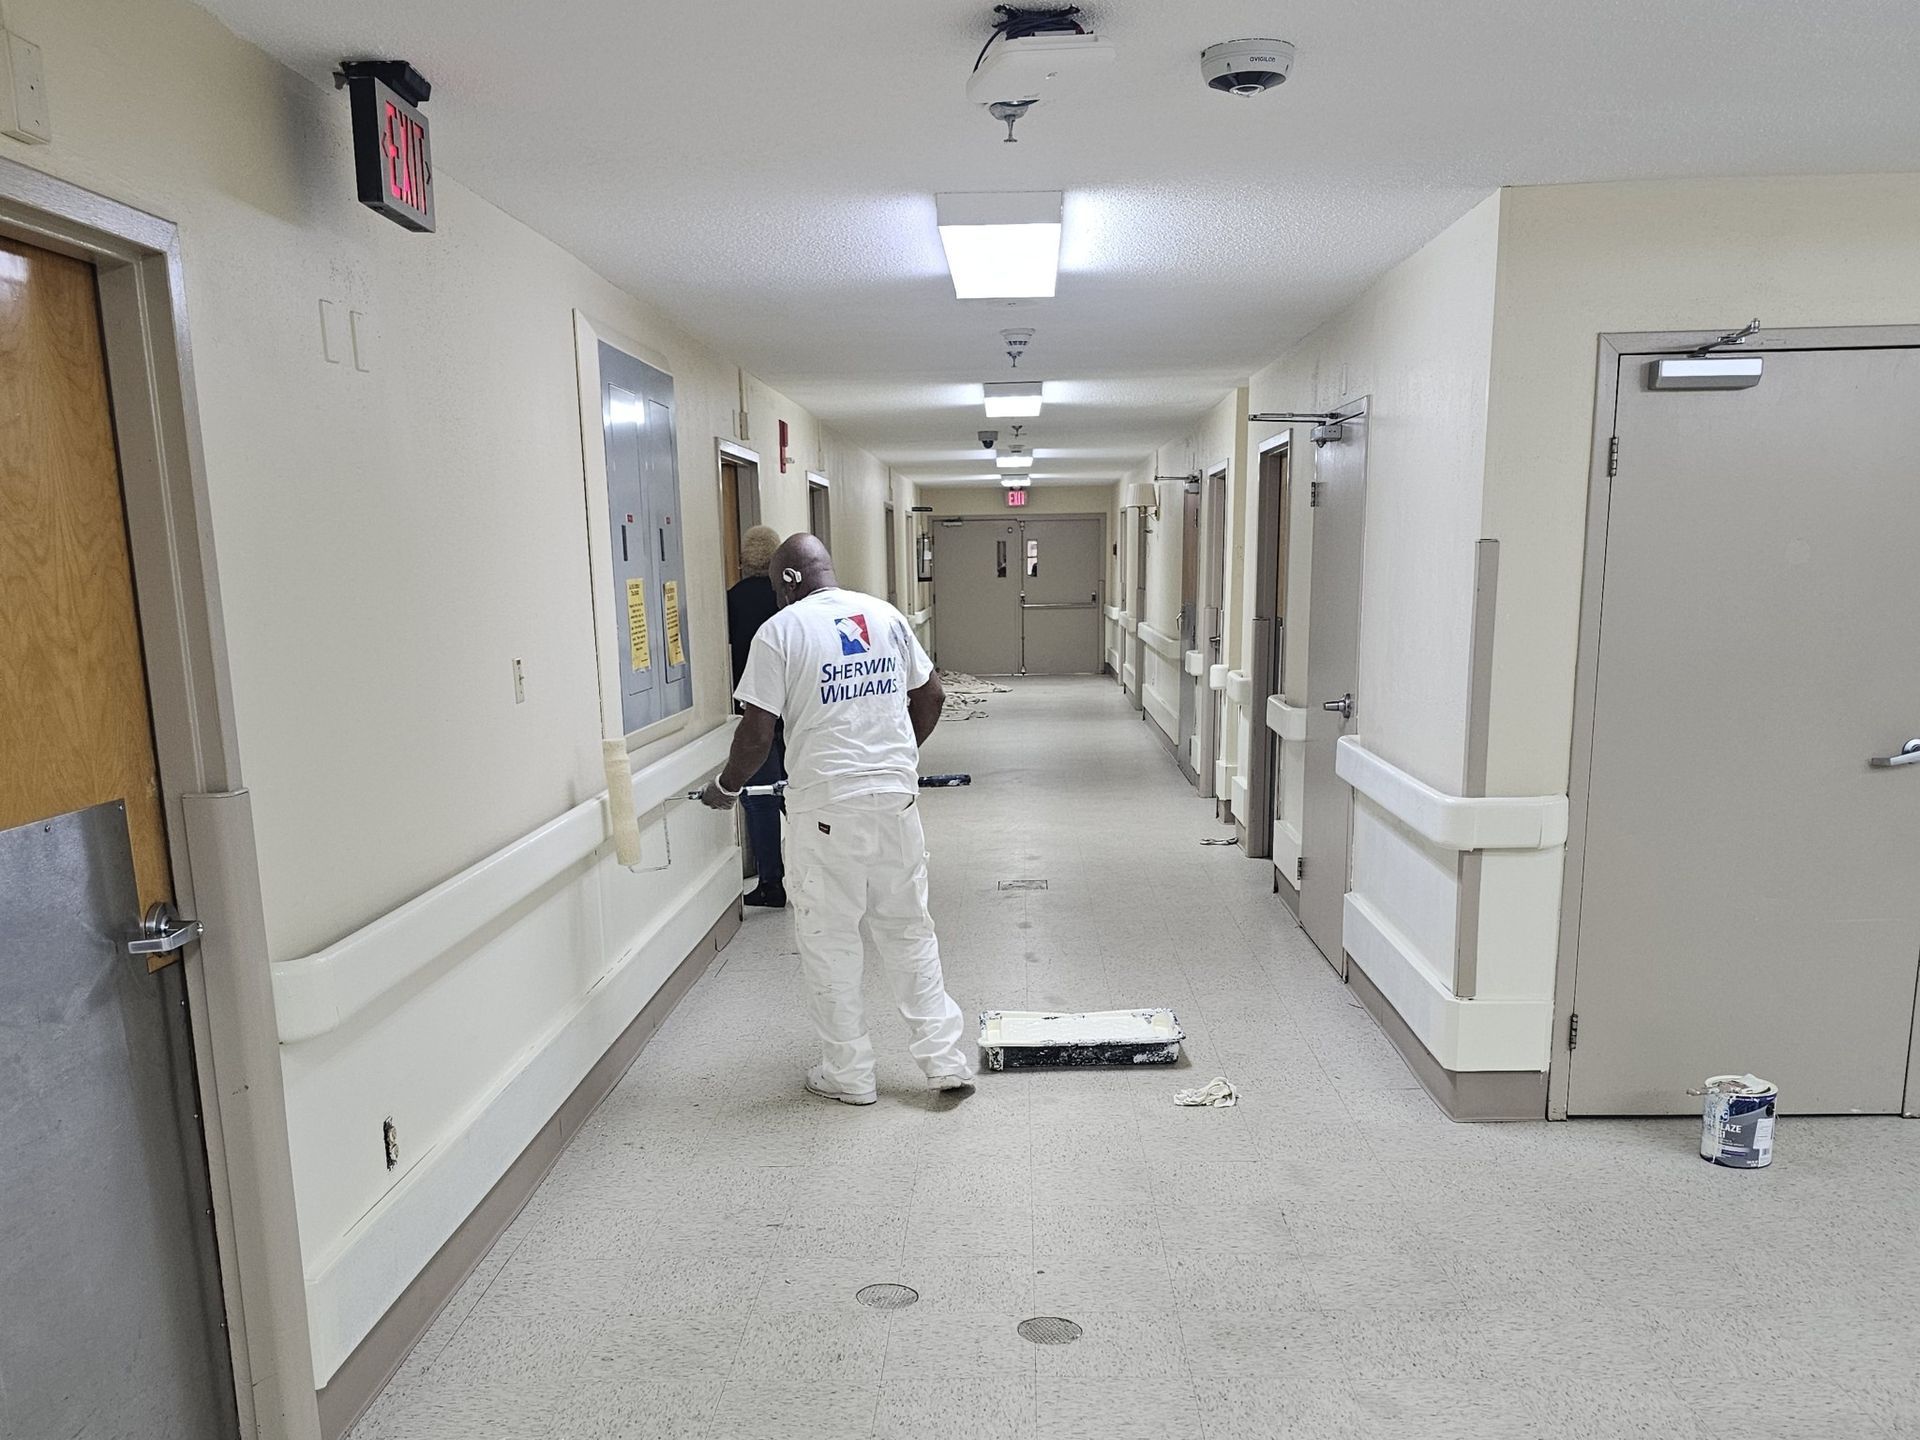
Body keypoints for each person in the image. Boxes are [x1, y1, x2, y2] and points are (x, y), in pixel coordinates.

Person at [700, 533, 974, 1104]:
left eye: (778, 587)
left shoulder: (781, 632)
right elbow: (932, 698)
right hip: (896, 802)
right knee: (909, 930)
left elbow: (756, 733)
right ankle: (944, 1061)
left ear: (790, 581)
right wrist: (894, 758)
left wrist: (727, 788)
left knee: (830, 940)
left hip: (825, 809)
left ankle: (849, 1075)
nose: (776, 597)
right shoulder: (885, 615)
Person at [727, 525, 787, 907]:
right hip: (794, 711)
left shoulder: (730, 601)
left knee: (761, 798)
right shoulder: (788, 600)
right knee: (802, 793)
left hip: (753, 710)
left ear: (742, 560)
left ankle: (771, 882)